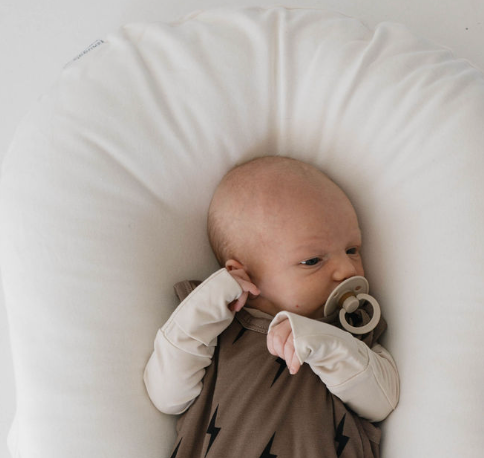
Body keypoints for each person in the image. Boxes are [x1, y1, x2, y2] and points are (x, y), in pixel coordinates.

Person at [143, 155, 400, 422]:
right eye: (312, 261)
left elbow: (381, 404)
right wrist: (205, 307)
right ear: (243, 274)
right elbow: (168, 398)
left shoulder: (352, 332)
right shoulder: (216, 328)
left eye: (352, 250)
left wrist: (326, 345)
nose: (347, 269)